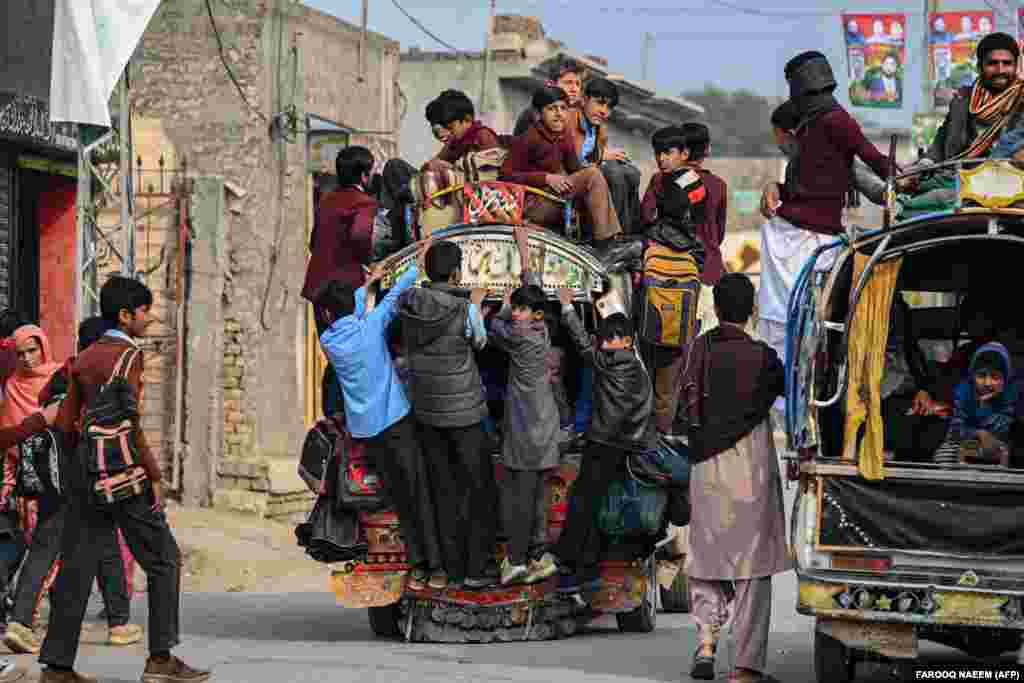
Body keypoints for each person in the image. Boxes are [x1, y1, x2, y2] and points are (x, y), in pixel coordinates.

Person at [40, 276, 208, 683]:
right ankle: (160, 659)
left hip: (85, 475)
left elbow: (65, 424)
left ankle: (57, 667)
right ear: (125, 315)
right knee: (164, 559)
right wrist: (153, 475)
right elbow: (130, 425)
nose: (149, 319)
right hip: (124, 475)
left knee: (77, 568)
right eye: (145, 311)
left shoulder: (84, 357)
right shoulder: (129, 356)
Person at [2, 319, 141, 656]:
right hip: (88, 472)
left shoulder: (60, 375)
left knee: (53, 545)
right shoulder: (104, 376)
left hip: (57, 474)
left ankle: (25, 621)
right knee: (100, 542)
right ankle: (117, 623)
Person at [316, 238, 447, 591]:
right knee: (420, 493)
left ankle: (419, 566)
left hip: (368, 433)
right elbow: (391, 301)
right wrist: (414, 265)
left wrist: (370, 283)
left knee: (400, 500)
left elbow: (355, 308)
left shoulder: (331, 340)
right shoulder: (369, 329)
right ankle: (436, 567)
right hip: (397, 423)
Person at [680, 273, 790, 683]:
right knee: (752, 570)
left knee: (707, 559)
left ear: (718, 308)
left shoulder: (699, 349)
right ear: (751, 311)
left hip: (706, 469)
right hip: (750, 471)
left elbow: (684, 403)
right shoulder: (764, 358)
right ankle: (744, 667)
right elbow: (789, 390)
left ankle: (706, 645)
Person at [758, 51, 894, 375]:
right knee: (785, 319)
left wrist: (901, 177)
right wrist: (774, 186)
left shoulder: (835, 120)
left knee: (795, 321)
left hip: (810, 237)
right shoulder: (810, 126)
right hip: (794, 231)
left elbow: (871, 158)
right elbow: (811, 181)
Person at [397, 241, 495, 589]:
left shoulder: (408, 304)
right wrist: (477, 306)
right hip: (465, 414)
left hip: (426, 413)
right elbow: (481, 343)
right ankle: (477, 569)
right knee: (478, 489)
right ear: (456, 272)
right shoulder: (463, 309)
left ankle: (448, 570)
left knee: (442, 490)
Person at [552, 295, 656, 594]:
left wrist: (568, 308)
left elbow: (584, 346)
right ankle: (584, 567)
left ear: (625, 341)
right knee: (596, 505)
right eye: (606, 339)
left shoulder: (614, 363)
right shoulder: (635, 364)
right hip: (624, 444)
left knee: (584, 503)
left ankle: (571, 561)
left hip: (605, 443)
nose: (607, 344)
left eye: (614, 339)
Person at [487, 226, 560, 586]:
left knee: (520, 498)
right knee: (539, 496)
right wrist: (524, 252)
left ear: (534, 315)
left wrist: (499, 307)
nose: (515, 313)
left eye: (520, 309)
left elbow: (490, 327)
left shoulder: (517, 337)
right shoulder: (541, 330)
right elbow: (536, 295)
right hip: (544, 428)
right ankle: (537, 556)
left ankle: (517, 559)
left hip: (523, 430)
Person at [637, 125, 710, 433]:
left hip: (672, 276)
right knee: (666, 383)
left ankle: (655, 441)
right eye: (658, 153)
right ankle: (659, 438)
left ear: (684, 154)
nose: (662, 159)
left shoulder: (678, 183)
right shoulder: (684, 182)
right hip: (682, 287)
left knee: (661, 381)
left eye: (668, 153)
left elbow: (667, 223)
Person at [302, 145, 380, 418]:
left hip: (317, 286)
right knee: (352, 355)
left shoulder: (326, 200)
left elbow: (313, 241)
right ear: (364, 175)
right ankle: (347, 415)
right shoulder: (365, 203)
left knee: (333, 353)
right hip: (345, 289)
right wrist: (367, 263)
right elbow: (360, 237)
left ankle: (332, 414)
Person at [501, 86, 623, 245]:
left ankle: (608, 238)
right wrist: (546, 178)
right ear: (539, 114)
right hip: (532, 206)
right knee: (592, 175)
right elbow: (506, 175)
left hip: (553, 198)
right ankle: (605, 242)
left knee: (597, 174)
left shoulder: (563, 135)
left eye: (563, 108)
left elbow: (576, 169)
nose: (559, 114)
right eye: (552, 109)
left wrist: (597, 166)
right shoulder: (529, 138)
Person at [905, 33, 1022, 178]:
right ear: (979, 66)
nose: (1000, 70)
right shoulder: (963, 99)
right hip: (958, 180)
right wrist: (927, 161)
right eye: (993, 63)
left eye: (1007, 63)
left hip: (1011, 181)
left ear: (1016, 66)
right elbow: (943, 139)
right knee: (908, 196)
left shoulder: (1021, 99)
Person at [770, 100, 886, 206]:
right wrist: (775, 189)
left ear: (791, 134)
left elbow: (876, 190)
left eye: (777, 135)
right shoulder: (793, 167)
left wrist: (893, 190)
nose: (777, 144)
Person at [566, 77, 642, 235]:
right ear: (585, 100)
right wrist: (601, 156)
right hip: (569, 177)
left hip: (589, 174)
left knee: (631, 173)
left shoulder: (599, 130)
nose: (604, 111)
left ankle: (631, 233)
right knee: (613, 172)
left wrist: (604, 157)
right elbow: (571, 159)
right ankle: (615, 236)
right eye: (600, 103)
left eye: (609, 107)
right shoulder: (570, 118)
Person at [934, 343, 1016, 467]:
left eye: (995, 377)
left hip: (996, 443)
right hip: (962, 442)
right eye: (981, 375)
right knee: (944, 454)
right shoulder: (963, 393)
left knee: (1003, 453)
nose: (988, 383)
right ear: (972, 377)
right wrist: (978, 433)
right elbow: (956, 429)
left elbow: (1002, 430)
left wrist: (985, 407)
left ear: (1004, 380)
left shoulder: (1008, 397)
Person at [423, 90, 500, 173]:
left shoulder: (483, 136)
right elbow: (432, 165)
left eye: (450, 128)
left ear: (467, 119)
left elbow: (493, 174)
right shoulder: (454, 142)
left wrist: (453, 169)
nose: (444, 134)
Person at [513, 58, 587, 136]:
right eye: (568, 82)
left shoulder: (580, 121)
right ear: (551, 84)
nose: (574, 89)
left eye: (578, 84)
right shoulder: (533, 116)